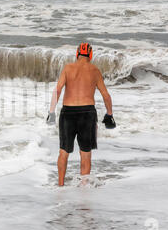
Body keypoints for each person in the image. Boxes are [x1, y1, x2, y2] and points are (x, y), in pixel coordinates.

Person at [46, 43, 116, 186]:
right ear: (90, 55)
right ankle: (84, 189)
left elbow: (57, 90)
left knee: (63, 152)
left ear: (77, 54)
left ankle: (60, 186)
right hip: (87, 113)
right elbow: (106, 95)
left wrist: (51, 112)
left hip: (68, 112)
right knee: (85, 154)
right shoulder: (95, 70)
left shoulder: (68, 68)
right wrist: (109, 115)